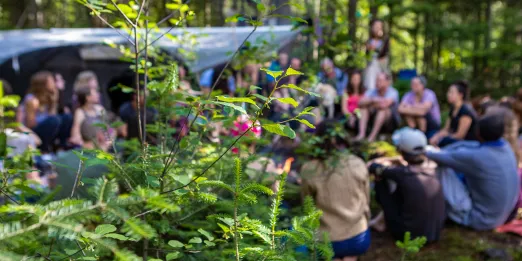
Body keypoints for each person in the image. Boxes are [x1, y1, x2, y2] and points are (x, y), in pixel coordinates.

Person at [426, 113, 520, 230]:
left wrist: (423, 147)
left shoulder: (478, 156)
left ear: (478, 132)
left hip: (480, 219)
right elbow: (471, 145)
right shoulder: (505, 147)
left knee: (443, 167)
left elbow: (436, 156)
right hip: (503, 216)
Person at [301, 120, 371, 261]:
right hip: (358, 237)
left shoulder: (309, 169)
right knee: (350, 252)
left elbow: (307, 207)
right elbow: (366, 199)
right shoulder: (357, 163)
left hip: (326, 239)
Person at [368, 128, 445, 243]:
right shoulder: (432, 167)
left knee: (381, 180)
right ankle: (381, 220)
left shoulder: (402, 174)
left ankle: (381, 223)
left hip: (409, 237)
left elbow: (372, 167)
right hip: (434, 233)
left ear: (401, 151)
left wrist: (387, 159)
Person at [53, 120, 113, 200]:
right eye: (108, 134)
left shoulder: (62, 158)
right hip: (92, 210)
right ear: (100, 136)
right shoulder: (107, 164)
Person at [17, 71, 72, 153]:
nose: (54, 83)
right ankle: (44, 149)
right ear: (43, 84)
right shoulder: (32, 100)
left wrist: (54, 101)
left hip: (46, 128)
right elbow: (30, 124)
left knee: (66, 117)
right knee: (54, 121)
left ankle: (61, 147)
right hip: (33, 131)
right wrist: (41, 114)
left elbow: (53, 116)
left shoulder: (47, 97)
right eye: (51, 81)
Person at [429, 81, 477, 147]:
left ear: (460, 95)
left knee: (444, 140)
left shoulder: (466, 110)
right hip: (453, 138)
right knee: (432, 134)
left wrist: (444, 136)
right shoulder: (453, 108)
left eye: (451, 92)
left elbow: (460, 135)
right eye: (448, 92)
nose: (448, 94)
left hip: (466, 142)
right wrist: (436, 136)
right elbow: (446, 128)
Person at [355, 72, 399, 142]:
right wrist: (373, 100)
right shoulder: (371, 91)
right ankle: (361, 134)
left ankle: (372, 137)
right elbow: (360, 103)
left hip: (390, 123)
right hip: (373, 118)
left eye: (380, 80)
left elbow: (384, 105)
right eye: (376, 80)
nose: (377, 82)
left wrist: (370, 103)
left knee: (383, 110)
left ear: (387, 82)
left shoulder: (393, 92)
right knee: (363, 109)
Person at [364, 19, 389, 91]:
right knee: (371, 70)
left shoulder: (385, 40)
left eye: (379, 26)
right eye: (376, 26)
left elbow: (385, 54)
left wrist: (375, 49)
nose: (378, 27)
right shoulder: (369, 41)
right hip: (371, 66)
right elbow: (367, 57)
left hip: (382, 67)